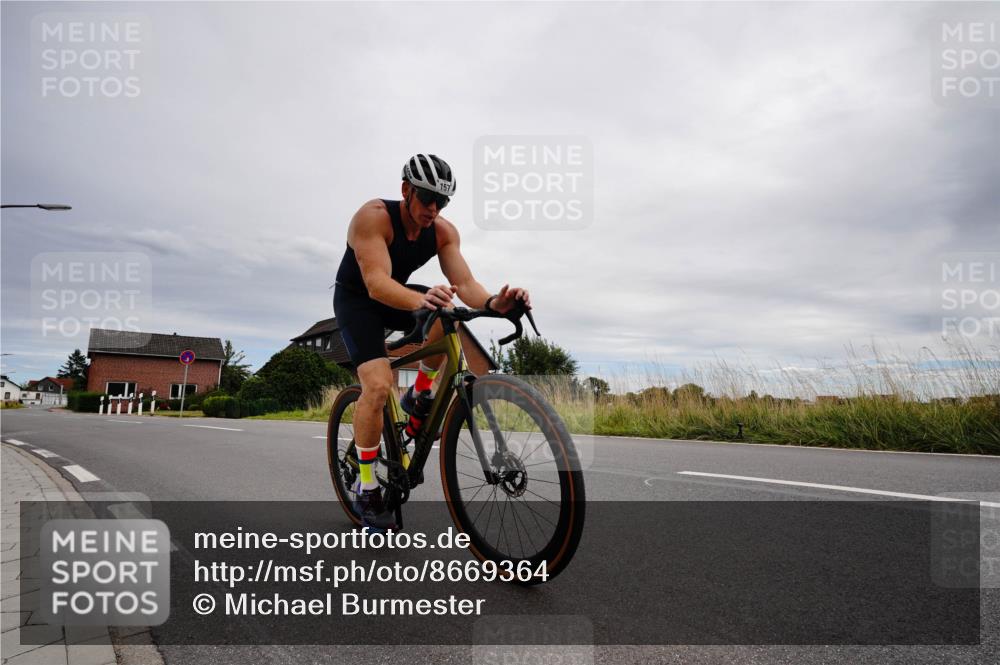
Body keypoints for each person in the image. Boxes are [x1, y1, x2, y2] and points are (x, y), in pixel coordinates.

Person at [333, 154, 530, 530]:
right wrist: (421, 300)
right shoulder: (373, 217)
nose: (433, 208)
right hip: (359, 300)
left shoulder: (442, 230)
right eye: (426, 197)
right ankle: (368, 487)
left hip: (399, 294)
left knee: (448, 311)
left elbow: (466, 285)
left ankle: (420, 395)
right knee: (376, 386)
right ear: (406, 189)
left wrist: (494, 303)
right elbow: (375, 282)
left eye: (442, 202)